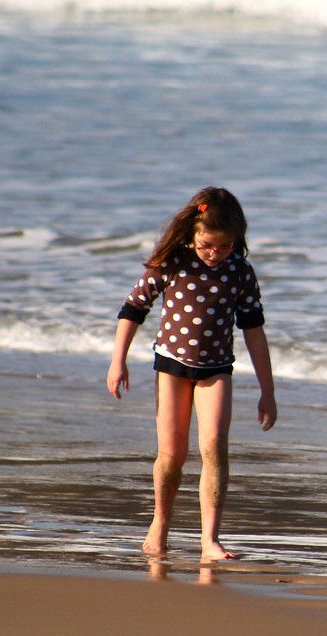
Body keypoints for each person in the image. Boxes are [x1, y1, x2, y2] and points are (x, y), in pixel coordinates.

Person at [107, 186, 277, 562]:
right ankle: (160, 524)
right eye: (206, 246)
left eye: (225, 246)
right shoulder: (170, 262)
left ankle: (209, 540)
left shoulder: (240, 271)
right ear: (192, 235)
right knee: (172, 454)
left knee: (214, 448)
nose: (215, 254)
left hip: (216, 370)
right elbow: (133, 309)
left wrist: (268, 390)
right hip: (171, 367)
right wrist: (118, 361)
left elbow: (254, 331)